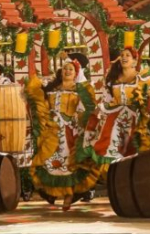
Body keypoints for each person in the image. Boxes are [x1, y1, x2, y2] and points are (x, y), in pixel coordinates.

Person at [25, 59, 99, 211]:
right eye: (65, 68)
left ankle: (69, 195)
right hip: (52, 131)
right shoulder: (52, 87)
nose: (67, 71)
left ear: (76, 73)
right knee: (49, 163)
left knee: (68, 165)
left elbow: (86, 109)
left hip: (70, 131)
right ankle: (52, 193)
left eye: (71, 69)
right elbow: (43, 105)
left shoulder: (80, 90)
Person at [81, 47, 150, 164]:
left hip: (134, 113)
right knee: (104, 124)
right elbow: (107, 98)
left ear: (135, 61)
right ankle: (109, 165)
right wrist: (98, 109)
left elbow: (147, 101)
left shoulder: (141, 79)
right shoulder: (113, 78)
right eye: (122, 55)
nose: (124, 57)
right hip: (114, 111)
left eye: (128, 55)